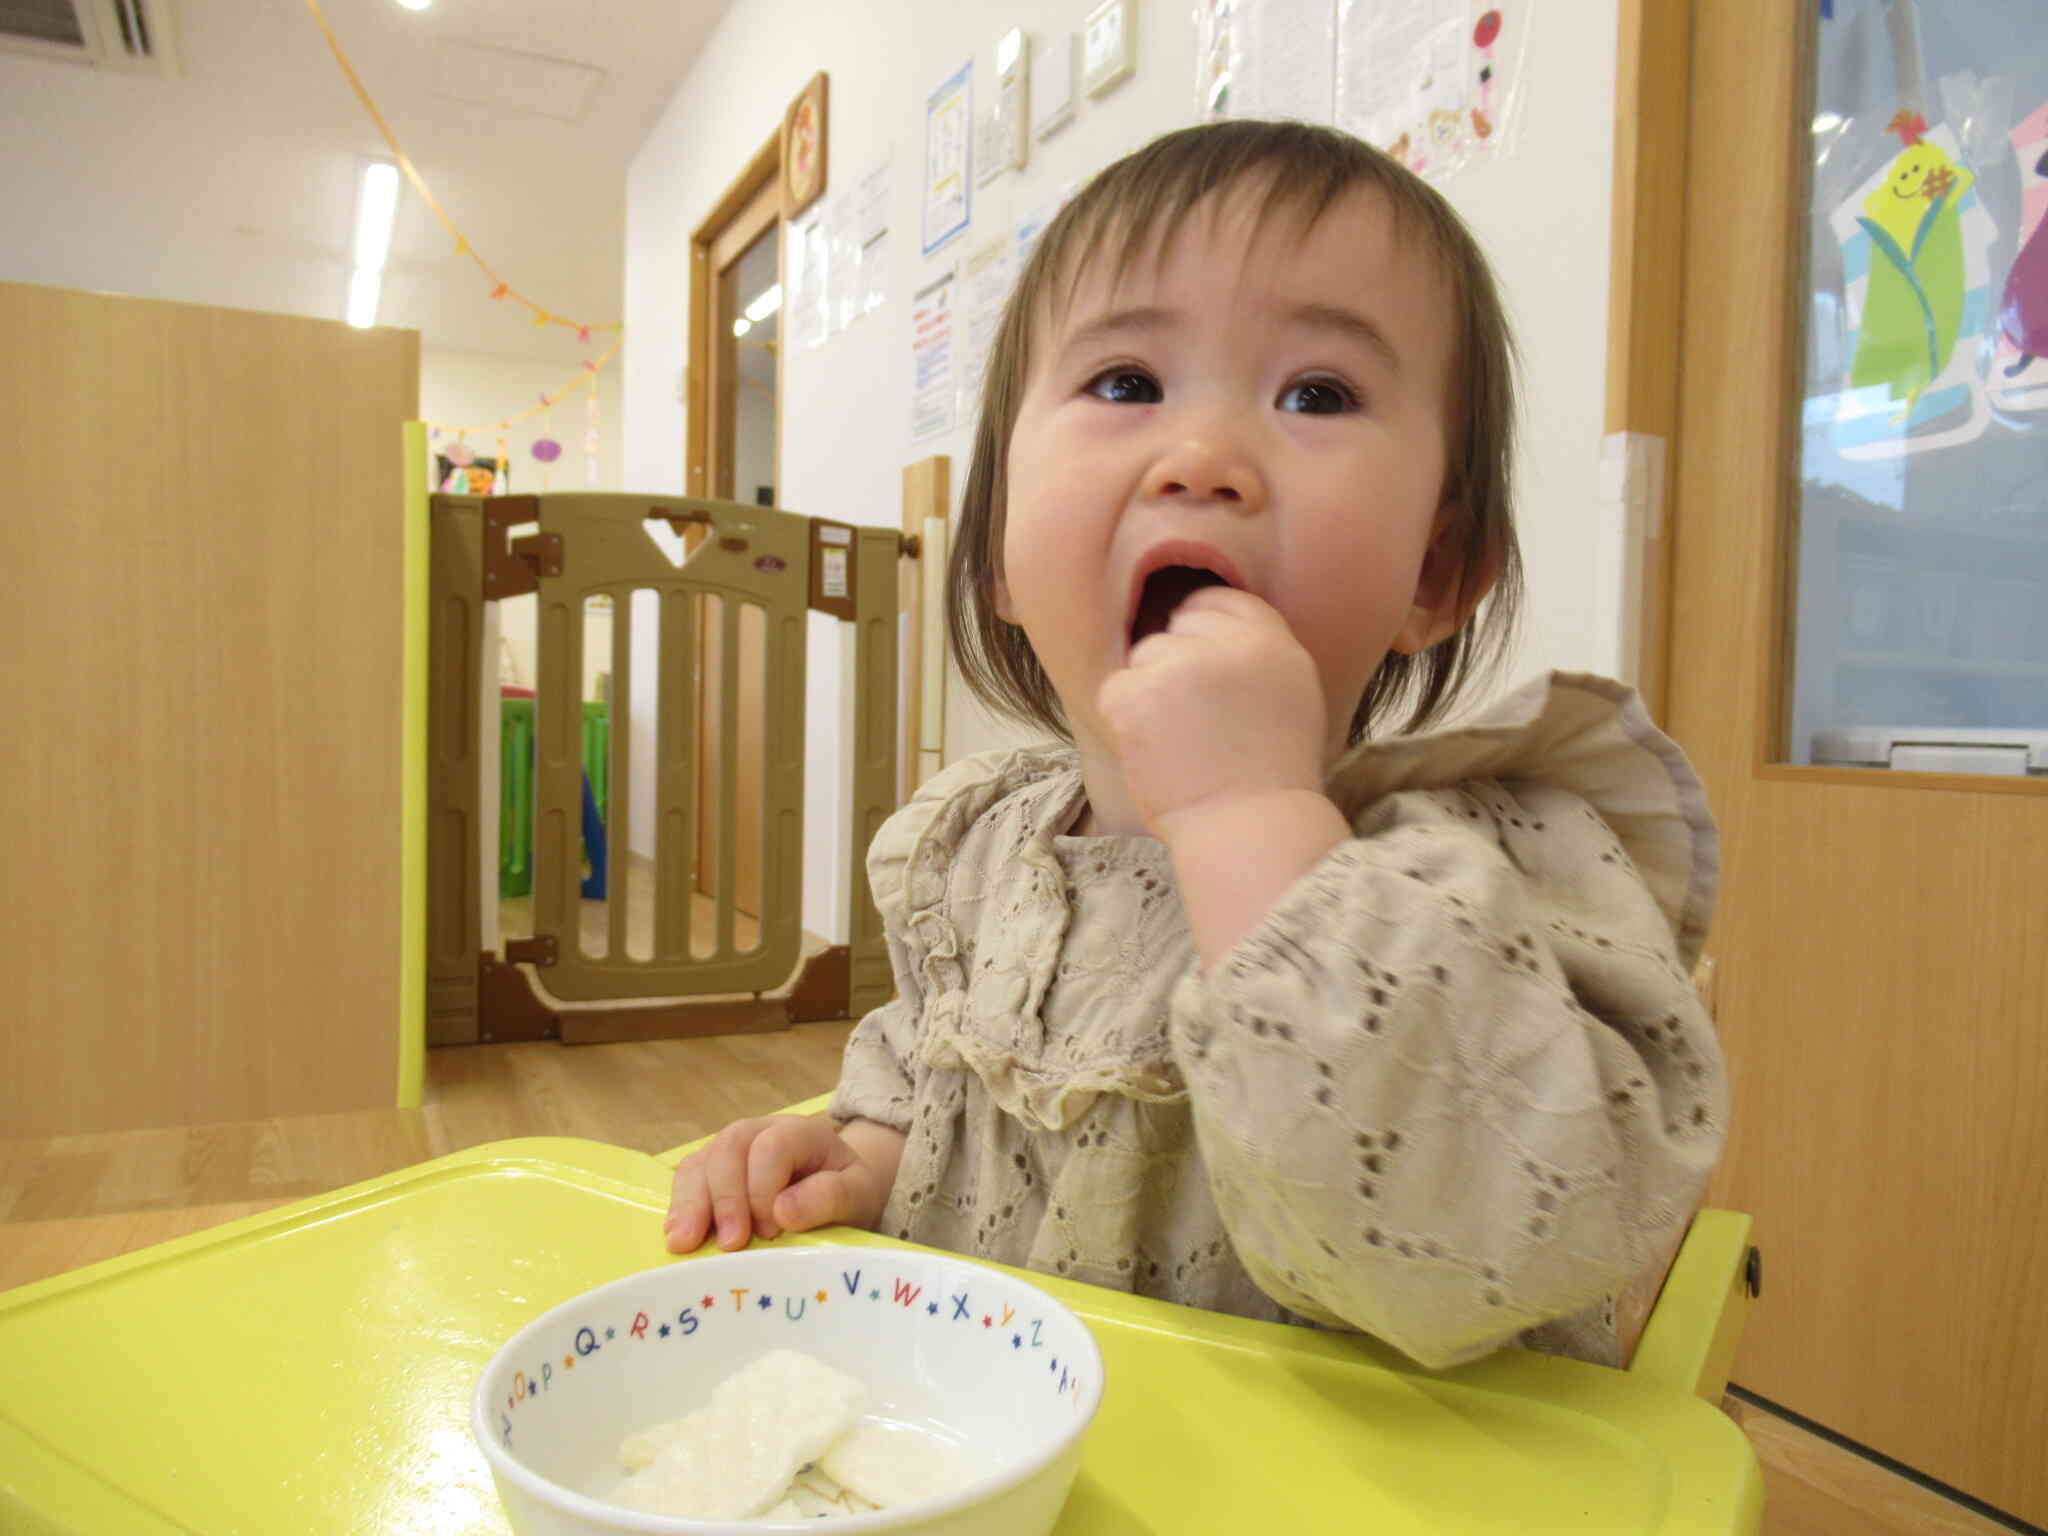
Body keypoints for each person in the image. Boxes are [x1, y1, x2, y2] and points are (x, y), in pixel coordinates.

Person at [665, 119, 1726, 1371]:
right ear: (1000, 544)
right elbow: (942, 1086)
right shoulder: (967, 851)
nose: (1205, 459)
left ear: (1435, 570)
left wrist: (1246, 812)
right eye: (1124, 384)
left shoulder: (1485, 876)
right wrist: (863, 1159)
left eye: (1315, 394)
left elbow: (1473, 1249)